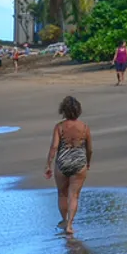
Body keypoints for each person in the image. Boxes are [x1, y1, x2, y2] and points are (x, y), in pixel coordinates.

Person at [43, 95, 92, 237]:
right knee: (74, 195)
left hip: (62, 162)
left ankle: (64, 220)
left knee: (62, 194)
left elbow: (54, 147)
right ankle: (70, 224)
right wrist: (88, 162)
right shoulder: (84, 128)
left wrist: (48, 164)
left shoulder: (59, 127)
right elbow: (89, 149)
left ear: (63, 110)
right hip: (79, 162)